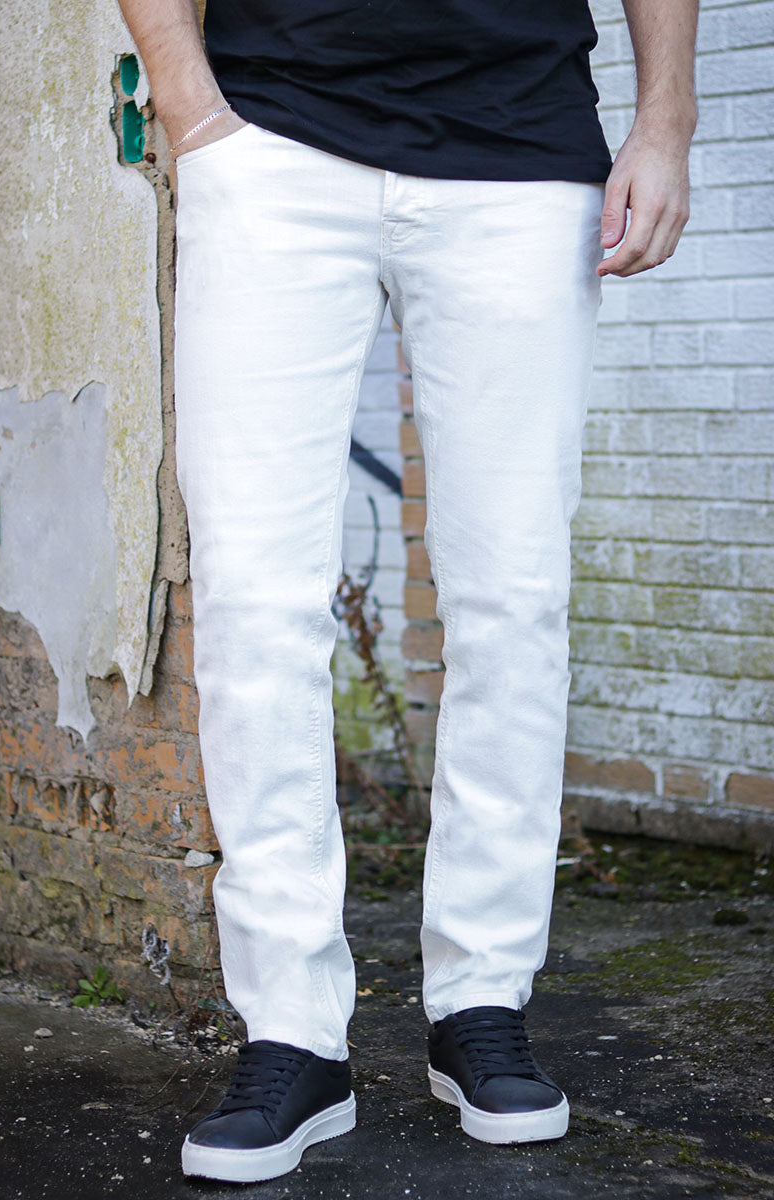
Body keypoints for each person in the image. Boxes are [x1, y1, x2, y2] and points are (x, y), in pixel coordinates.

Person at [117, 0, 698, 1184]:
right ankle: (291, 1034)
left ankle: (481, 1002)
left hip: (517, 150)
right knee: (254, 604)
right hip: (271, 137)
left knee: (510, 601)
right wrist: (186, 103)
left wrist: (664, 123)